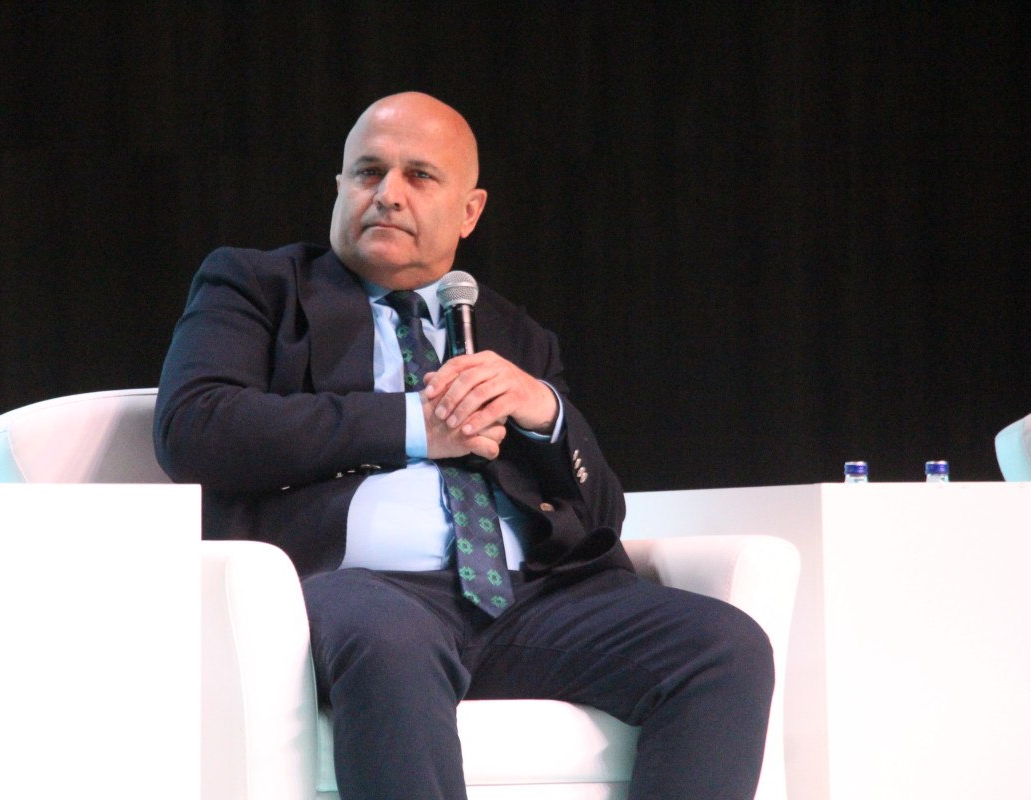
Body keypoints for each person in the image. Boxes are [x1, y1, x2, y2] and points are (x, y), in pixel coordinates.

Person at [154, 91, 773, 800]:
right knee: (390, 640)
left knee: (724, 646)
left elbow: (602, 513)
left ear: (470, 211)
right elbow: (194, 426)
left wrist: (546, 414)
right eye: (368, 172)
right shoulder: (260, 288)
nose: (388, 194)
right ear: (339, 187)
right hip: (359, 590)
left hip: (529, 597)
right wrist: (417, 424)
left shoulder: (514, 335)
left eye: (419, 176)